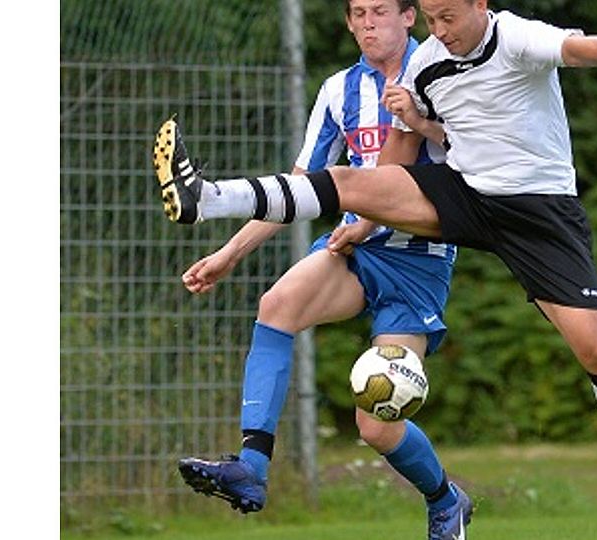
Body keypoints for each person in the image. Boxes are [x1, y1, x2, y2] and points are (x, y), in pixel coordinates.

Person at [155, 1, 597, 538]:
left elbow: (572, 47)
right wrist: (360, 217)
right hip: (440, 206)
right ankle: (208, 200)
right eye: (431, 19)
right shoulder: (393, 74)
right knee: (300, 264)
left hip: (520, 217)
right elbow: (377, 166)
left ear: (476, 5)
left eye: (446, 18)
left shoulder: (510, 37)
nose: (438, 31)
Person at [160, 1, 473, 539]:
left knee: (376, 424)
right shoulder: (337, 91)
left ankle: (446, 500)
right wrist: (229, 254)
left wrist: (371, 220)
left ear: (408, 17)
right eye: (359, 13)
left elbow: (469, 159)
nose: (369, 23)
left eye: (380, 11)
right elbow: (300, 187)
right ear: (348, 23)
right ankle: (251, 469)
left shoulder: (441, 71)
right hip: (352, 249)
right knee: (276, 306)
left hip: (418, 262)